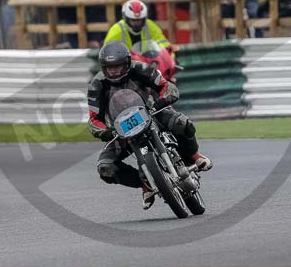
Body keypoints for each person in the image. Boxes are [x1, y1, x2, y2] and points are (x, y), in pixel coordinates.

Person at [88, 40, 212, 209]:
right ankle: (145, 184)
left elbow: (166, 86)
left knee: (183, 124)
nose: (114, 71)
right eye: (110, 67)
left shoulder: (141, 68)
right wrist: (107, 131)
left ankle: (194, 155)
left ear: (127, 63)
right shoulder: (96, 85)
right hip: (121, 129)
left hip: (152, 112)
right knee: (105, 168)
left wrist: (163, 100)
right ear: (103, 67)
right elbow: (93, 119)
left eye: (118, 66)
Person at [104, 0, 170, 50]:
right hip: (125, 62)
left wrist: (169, 57)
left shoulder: (150, 25)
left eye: (139, 20)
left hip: (148, 61)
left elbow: (163, 43)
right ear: (126, 18)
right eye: (133, 20)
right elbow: (108, 51)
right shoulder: (116, 30)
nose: (136, 23)